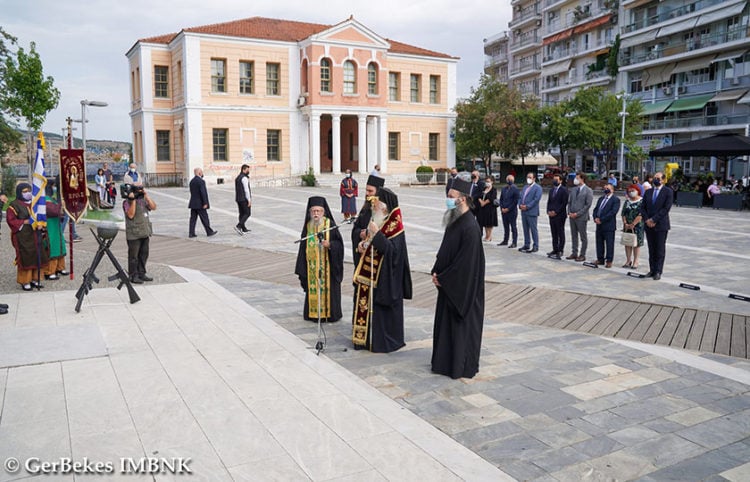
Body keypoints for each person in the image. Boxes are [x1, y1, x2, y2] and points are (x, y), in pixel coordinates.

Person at [431, 177, 485, 379]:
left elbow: (466, 266)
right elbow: (444, 251)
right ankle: (443, 363)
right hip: (447, 287)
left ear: (463, 199)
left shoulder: (470, 227)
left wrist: (444, 279)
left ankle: (459, 366)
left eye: (451, 197)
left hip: (461, 291)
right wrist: (437, 272)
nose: (448, 200)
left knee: (460, 331)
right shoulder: (454, 220)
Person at [352, 187, 412, 352]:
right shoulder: (378, 219)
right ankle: (364, 339)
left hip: (385, 278)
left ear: (384, 206)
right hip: (370, 272)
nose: (372, 205)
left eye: (375, 202)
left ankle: (380, 341)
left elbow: (392, 251)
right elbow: (373, 244)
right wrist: (363, 245)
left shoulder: (395, 225)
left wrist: (376, 234)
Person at [294, 196, 344, 323]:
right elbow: (302, 247)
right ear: (310, 212)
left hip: (328, 268)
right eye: (313, 211)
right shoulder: (308, 226)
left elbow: (339, 245)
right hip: (312, 268)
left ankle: (330, 314)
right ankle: (313, 314)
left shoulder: (330, 225)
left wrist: (330, 245)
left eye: (318, 211)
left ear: (323, 212)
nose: (316, 214)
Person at [6, 183, 50, 291]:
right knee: (26, 257)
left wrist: (41, 224)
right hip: (24, 235)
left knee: (38, 254)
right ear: (19, 193)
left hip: (36, 233)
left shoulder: (35, 203)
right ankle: (25, 281)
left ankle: (36, 279)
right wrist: (23, 222)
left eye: (29, 191)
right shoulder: (14, 205)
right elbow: (10, 220)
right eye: (25, 192)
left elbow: (41, 215)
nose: (28, 193)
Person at [640, 172, 673, 281]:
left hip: (661, 225)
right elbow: (643, 207)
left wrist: (654, 219)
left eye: (658, 178)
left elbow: (666, 208)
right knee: (651, 249)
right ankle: (652, 269)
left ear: (663, 180)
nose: (655, 180)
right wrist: (647, 220)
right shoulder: (648, 192)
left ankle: (658, 271)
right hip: (649, 225)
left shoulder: (668, 192)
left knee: (659, 249)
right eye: (654, 178)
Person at [123, 184, 157, 284]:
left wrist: (146, 195)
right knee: (134, 257)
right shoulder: (126, 202)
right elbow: (130, 215)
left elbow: (153, 207)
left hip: (144, 232)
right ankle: (133, 275)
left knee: (144, 254)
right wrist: (133, 200)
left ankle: (141, 273)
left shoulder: (143, 200)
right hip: (134, 234)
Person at [351, 174, 385, 268]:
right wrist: (360, 234)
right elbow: (356, 229)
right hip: (364, 255)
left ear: (378, 192)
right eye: (366, 190)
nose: (367, 193)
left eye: (370, 191)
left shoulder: (385, 212)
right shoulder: (366, 209)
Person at [44, 180, 68, 280]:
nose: (55, 188)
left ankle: (60, 267)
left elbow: (58, 212)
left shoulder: (52, 199)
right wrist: (60, 206)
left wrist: (62, 210)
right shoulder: (44, 199)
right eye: (53, 186)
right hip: (49, 227)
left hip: (56, 226)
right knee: (52, 248)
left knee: (60, 246)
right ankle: (50, 271)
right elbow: (52, 211)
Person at [566, 172, 594, 262]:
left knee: (583, 237)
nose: (576, 180)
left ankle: (582, 254)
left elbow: (587, 205)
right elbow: (569, 202)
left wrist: (577, 214)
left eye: (578, 178)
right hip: (572, 216)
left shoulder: (588, 190)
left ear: (582, 179)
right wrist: (569, 212)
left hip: (581, 217)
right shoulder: (573, 189)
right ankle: (574, 252)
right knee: (574, 235)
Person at [593, 183, 620, 268]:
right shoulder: (601, 198)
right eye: (605, 188)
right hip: (599, 224)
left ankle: (609, 260)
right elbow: (596, 209)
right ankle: (600, 259)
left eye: (608, 188)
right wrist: (595, 218)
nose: (606, 190)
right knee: (599, 242)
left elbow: (613, 212)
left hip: (608, 225)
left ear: (612, 190)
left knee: (609, 243)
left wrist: (602, 219)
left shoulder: (615, 200)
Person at [188, 167, 218, 238]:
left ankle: (191, 233)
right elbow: (203, 193)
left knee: (193, 219)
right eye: (201, 172)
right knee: (205, 218)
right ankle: (209, 231)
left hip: (193, 203)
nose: (202, 173)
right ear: (199, 173)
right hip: (200, 203)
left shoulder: (191, 181)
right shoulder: (201, 181)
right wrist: (205, 203)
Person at [621, 184, 644, 270]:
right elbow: (623, 213)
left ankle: (636, 261)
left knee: (636, 244)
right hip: (627, 226)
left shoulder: (642, 201)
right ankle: (628, 260)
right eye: (629, 191)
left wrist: (633, 224)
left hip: (638, 226)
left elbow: (641, 214)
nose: (631, 193)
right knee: (627, 242)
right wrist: (625, 223)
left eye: (633, 191)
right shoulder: (627, 201)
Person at [518, 172, 542, 253]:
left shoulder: (538, 188)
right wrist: (520, 205)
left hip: (531, 212)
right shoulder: (525, 187)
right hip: (523, 212)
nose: (528, 178)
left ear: (534, 179)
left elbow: (536, 199)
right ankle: (526, 244)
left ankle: (535, 245)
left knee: (533, 229)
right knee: (525, 229)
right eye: (527, 177)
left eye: (530, 177)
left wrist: (527, 206)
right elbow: (520, 197)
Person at [546, 174, 568, 259]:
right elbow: (549, 202)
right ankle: (555, 249)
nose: (555, 181)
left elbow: (564, 203)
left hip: (560, 215)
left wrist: (556, 212)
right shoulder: (552, 190)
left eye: (557, 179)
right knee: (553, 233)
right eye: (554, 179)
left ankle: (560, 250)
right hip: (551, 215)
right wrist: (548, 211)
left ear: (561, 181)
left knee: (560, 233)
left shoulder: (564, 190)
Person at [497, 175, 519, 248]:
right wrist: (502, 208)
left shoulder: (515, 189)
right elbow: (501, 199)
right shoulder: (504, 188)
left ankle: (514, 242)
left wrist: (508, 209)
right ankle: (505, 240)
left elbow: (515, 201)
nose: (509, 180)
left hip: (512, 211)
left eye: (510, 179)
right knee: (506, 227)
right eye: (508, 179)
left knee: (513, 227)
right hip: (504, 211)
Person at [476, 176, 498, 242]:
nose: (487, 183)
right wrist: (481, 201)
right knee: (485, 223)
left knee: (489, 223)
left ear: (492, 182)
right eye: (486, 181)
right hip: (483, 209)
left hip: (490, 209)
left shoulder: (494, 189)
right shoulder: (484, 188)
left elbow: (492, 198)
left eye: (488, 181)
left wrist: (484, 202)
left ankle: (489, 236)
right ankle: (486, 236)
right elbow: (479, 196)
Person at [234, 164, 252, 235]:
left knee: (241, 214)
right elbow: (246, 190)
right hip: (244, 198)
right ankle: (239, 226)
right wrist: (249, 200)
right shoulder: (244, 178)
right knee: (247, 213)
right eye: (247, 170)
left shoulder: (238, 177)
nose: (248, 171)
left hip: (238, 198)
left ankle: (243, 228)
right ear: (243, 170)